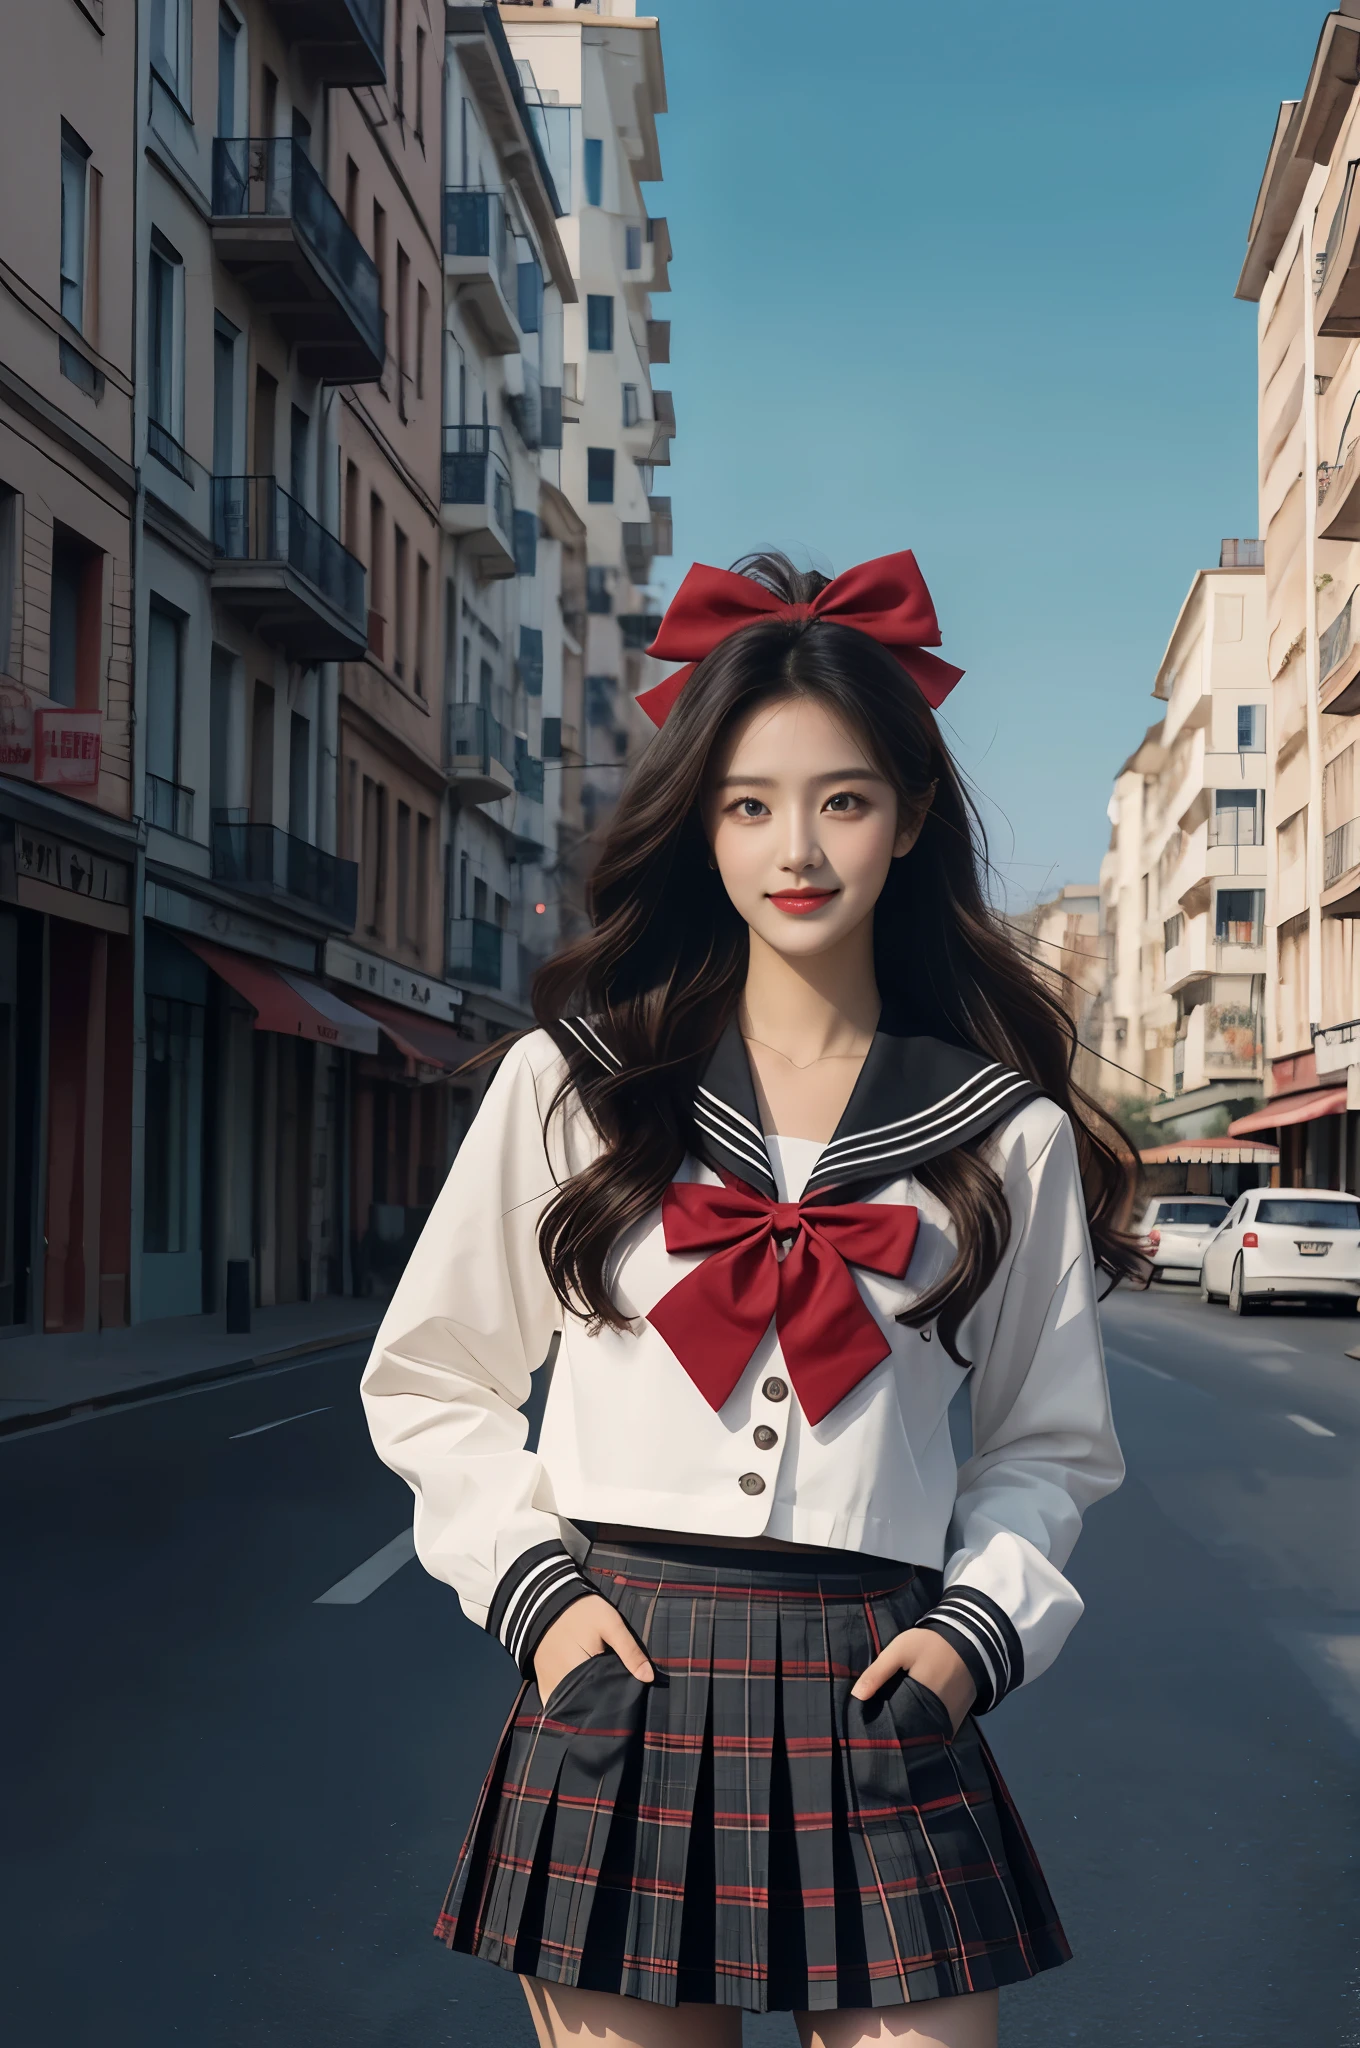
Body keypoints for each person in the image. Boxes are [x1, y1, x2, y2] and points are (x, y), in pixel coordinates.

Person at [360, 550, 1137, 2048]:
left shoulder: (1002, 1132)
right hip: (619, 1676)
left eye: (843, 799)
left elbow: (1052, 1446)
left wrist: (980, 1631)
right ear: (699, 825)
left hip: (878, 1690)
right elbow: (431, 1378)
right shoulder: (575, 1088)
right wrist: (541, 1605)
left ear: (910, 821)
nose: (798, 846)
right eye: (749, 801)